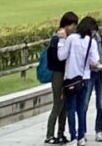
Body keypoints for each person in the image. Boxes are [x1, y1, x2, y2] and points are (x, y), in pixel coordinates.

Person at [58, 14, 98, 146]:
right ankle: (81, 136)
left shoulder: (72, 39)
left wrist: (62, 41)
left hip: (71, 79)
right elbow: (95, 61)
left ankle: (73, 137)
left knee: (71, 109)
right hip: (84, 78)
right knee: (81, 109)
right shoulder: (91, 42)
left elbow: (61, 56)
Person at [44, 11, 77, 145]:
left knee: (64, 106)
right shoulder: (57, 39)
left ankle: (60, 133)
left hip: (66, 73)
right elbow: (56, 59)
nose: (74, 28)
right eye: (73, 25)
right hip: (58, 74)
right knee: (58, 104)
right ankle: (49, 134)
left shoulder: (69, 37)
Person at [87, 17, 102, 143]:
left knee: (101, 104)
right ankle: (82, 131)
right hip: (89, 74)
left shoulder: (100, 37)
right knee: (84, 104)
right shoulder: (85, 40)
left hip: (101, 73)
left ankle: (99, 130)